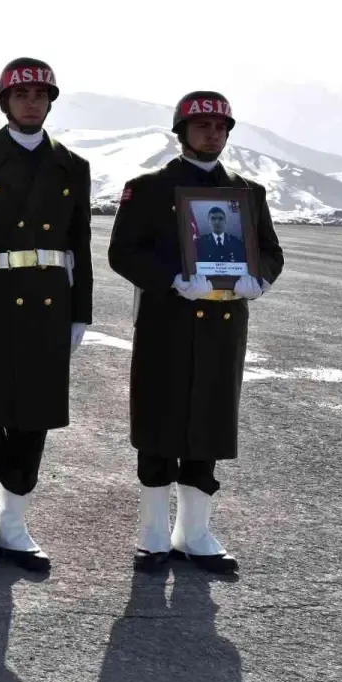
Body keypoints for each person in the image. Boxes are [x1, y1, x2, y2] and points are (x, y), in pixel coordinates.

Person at [107, 90, 284, 574]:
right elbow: (123, 252)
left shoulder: (248, 192)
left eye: (221, 127)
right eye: (202, 126)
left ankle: (196, 534)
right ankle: (153, 534)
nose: (213, 134)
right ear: (181, 131)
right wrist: (172, 278)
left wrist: (259, 278)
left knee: (207, 422)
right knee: (160, 424)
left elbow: (270, 251)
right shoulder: (147, 188)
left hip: (223, 328)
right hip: (168, 322)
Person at [0, 58, 93, 572]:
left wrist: (81, 314)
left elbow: (81, 246)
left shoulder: (71, 165)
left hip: (49, 308)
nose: (32, 101)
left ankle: (15, 527)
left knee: (33, 422)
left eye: (41, 94)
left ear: (50, 102)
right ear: (5, 101)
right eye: (22, 93)